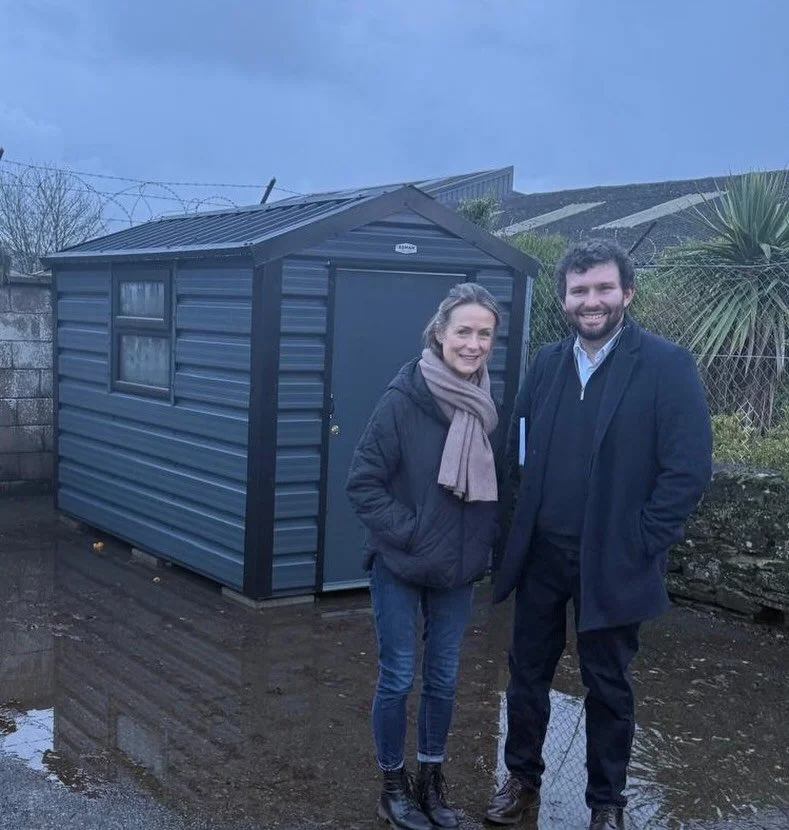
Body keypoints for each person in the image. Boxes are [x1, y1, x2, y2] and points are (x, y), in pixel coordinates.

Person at [484, 239, 712, 830]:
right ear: (564, 299)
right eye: (579, 290)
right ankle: (521, 781)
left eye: (603, 288)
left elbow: (686, 471)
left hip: (613, 558)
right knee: (526, 672)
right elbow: (518, 453)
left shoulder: (666, 366)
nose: (592, 301)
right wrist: (513, 532)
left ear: (627, 293)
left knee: (607, 684)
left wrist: (642, 541)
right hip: (542, 554)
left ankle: (606, 803)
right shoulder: (546, 364)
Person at [346, 283, 506, 830]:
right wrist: (412, 533)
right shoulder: (403, 400)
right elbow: (362, 484)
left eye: (484, 333)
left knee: (444, 680)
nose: (474, 343)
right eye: (464, 330)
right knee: (397, 678)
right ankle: (392, 785)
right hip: (401, 564)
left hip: (459, 570)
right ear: (439, 333)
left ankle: (431, 782)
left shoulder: (486, 402)